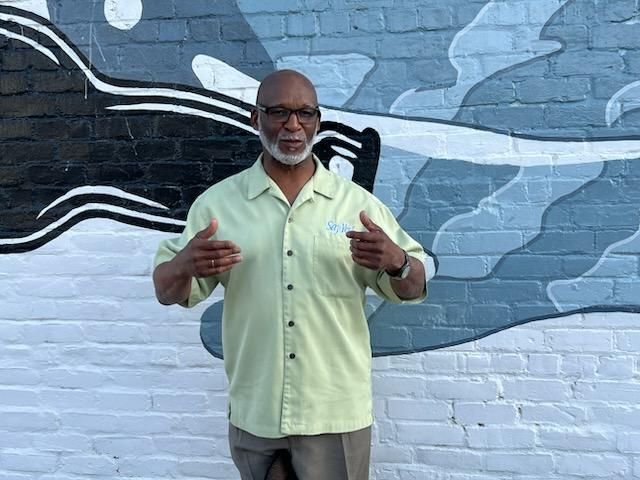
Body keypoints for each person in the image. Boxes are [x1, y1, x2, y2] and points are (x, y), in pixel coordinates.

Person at [152, 69, 427, 480]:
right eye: (279, 112)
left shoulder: (357, 206)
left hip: (334, 413)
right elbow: (167, 291)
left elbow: (414, 286)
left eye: (305, 113)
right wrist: (182, 266)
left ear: (317, 121)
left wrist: (397, 261)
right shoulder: (218, 206)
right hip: (256, 412)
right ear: (255, 118)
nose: (293, 125)